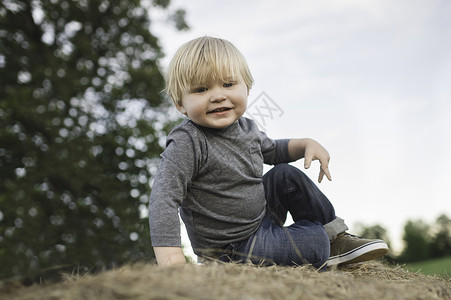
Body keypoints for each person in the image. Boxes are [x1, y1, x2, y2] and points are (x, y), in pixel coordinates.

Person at [148, 36, 388, 268]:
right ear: (180, 104)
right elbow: (164, 197)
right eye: (201, 89)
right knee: (315, 242)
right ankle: (322, 244)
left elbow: (274, 150)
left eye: (229, 84)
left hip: (260, 220)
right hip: (230, 248)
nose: (218, 95)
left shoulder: (247, 128)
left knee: (285, 174)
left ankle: (336, 240)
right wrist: (171, 260)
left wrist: (306, 144)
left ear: (247, 88)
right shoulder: (188, 141)